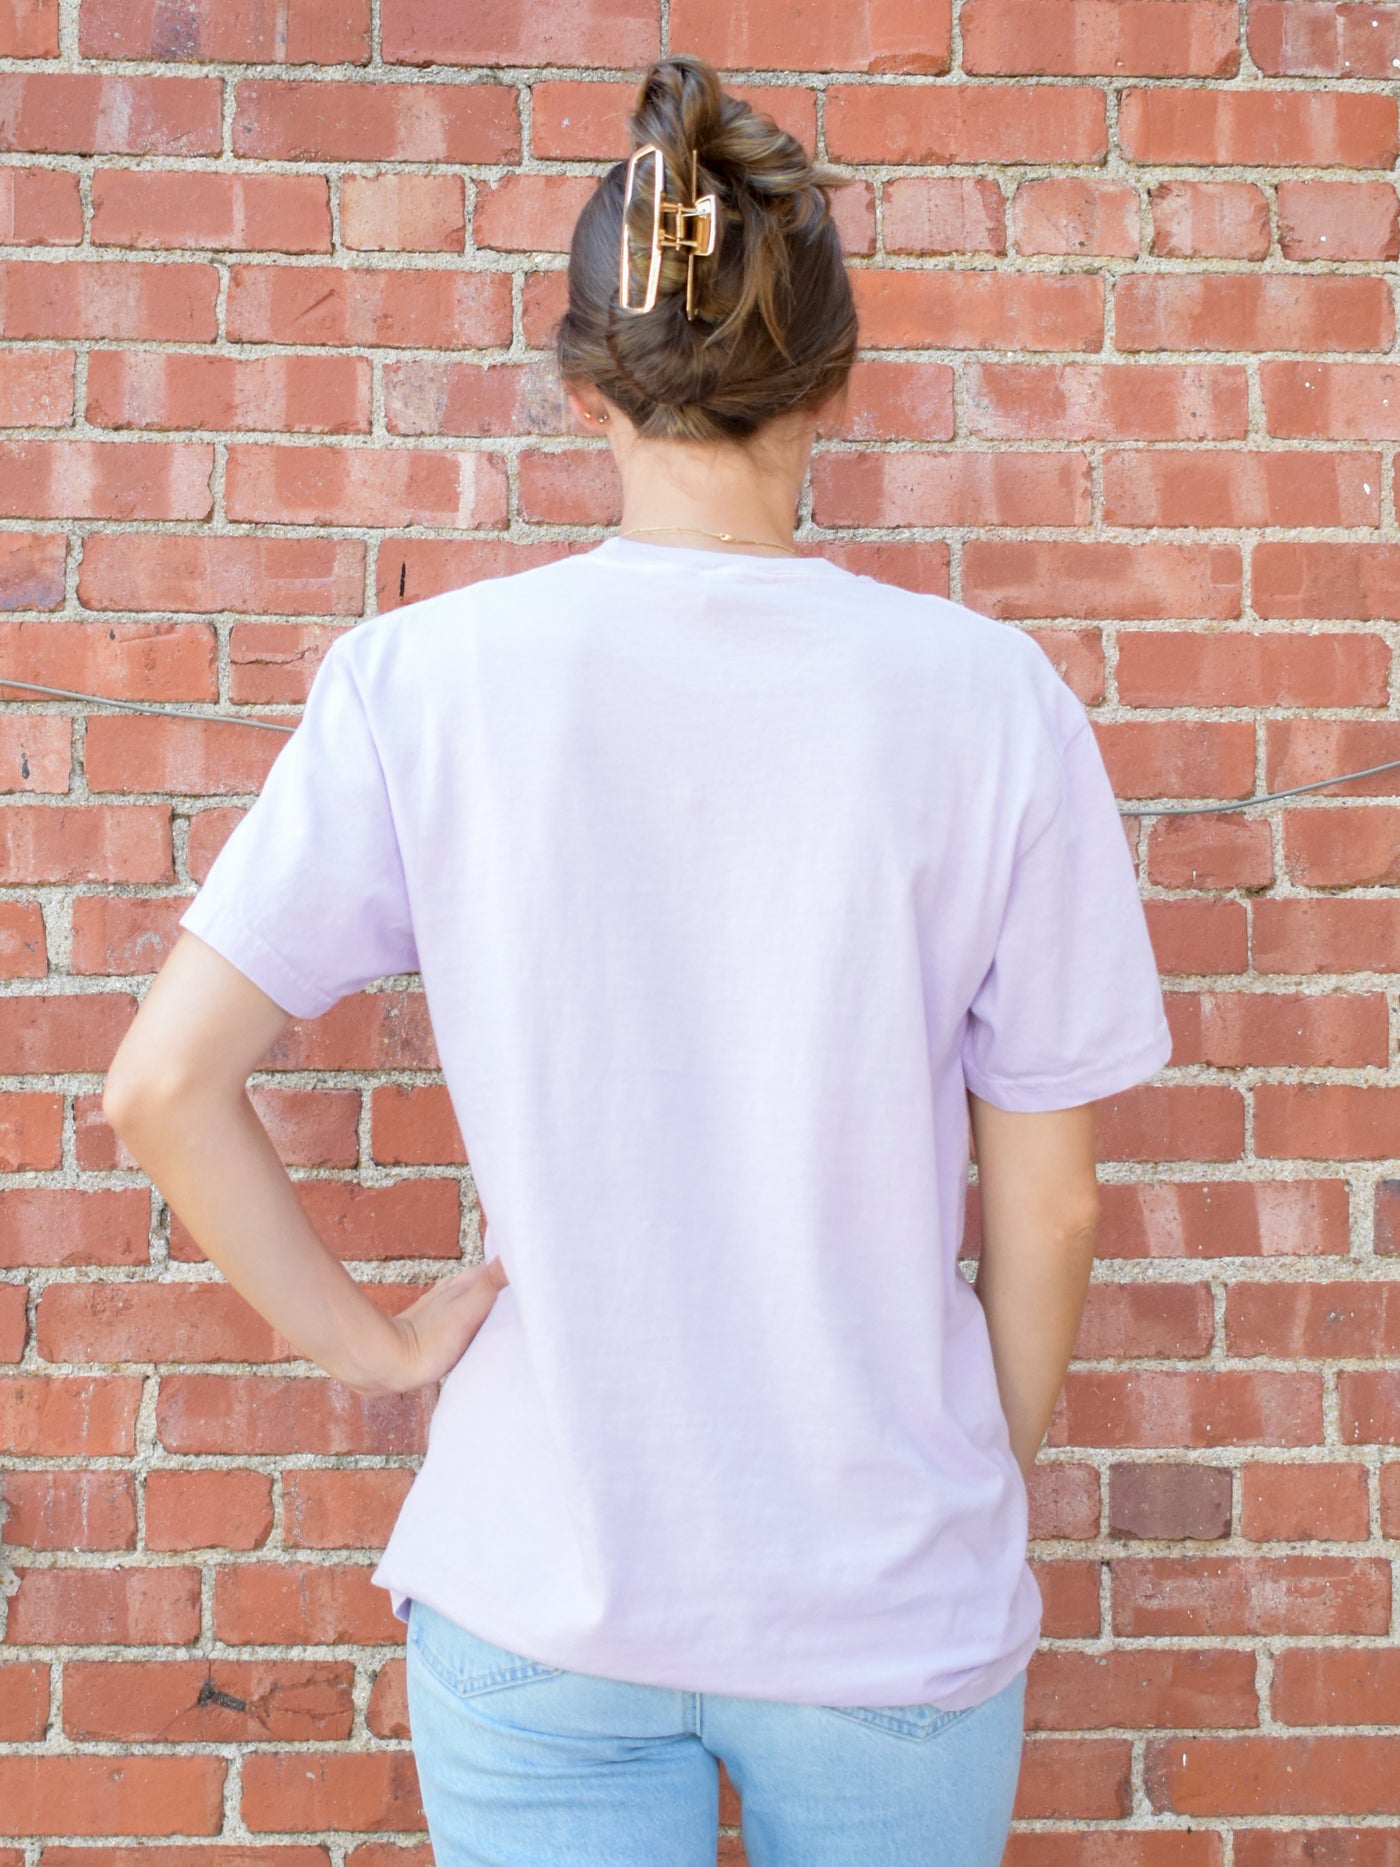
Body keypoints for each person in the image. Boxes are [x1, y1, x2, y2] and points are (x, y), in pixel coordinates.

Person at [102, 50, 1173, 1867]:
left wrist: (373, 1348)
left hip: (543, 1584)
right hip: (882, 1606)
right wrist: (962, 1472)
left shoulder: (424, 686)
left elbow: (160, 1086)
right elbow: (1051, 1214)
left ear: (585, 382)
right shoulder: (993, 706)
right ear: (830, 380)